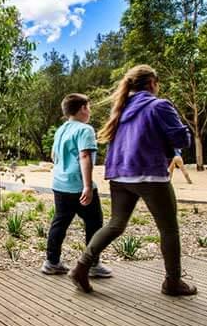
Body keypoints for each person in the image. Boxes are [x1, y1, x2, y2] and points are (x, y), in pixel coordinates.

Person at [68, 65, 197, 297]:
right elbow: (181, 139)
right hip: (149, 174)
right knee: (169, 229)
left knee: (115, 225)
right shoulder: (160, 105)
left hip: (119, 175)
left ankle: (81, 267)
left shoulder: (121, 109)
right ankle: (173, 282)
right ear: (152, 84)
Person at [42, 93, 112, 278]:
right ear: (82, 108)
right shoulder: (85, 130)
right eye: (88, 107)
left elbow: (53, 155)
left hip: (60, 183)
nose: (89, 111)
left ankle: (52, 262)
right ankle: (92, 264)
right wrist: (87, 186)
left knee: (60, 222)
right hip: (78, 185)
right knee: (95, 224)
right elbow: (85, 156)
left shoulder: (61, 129)